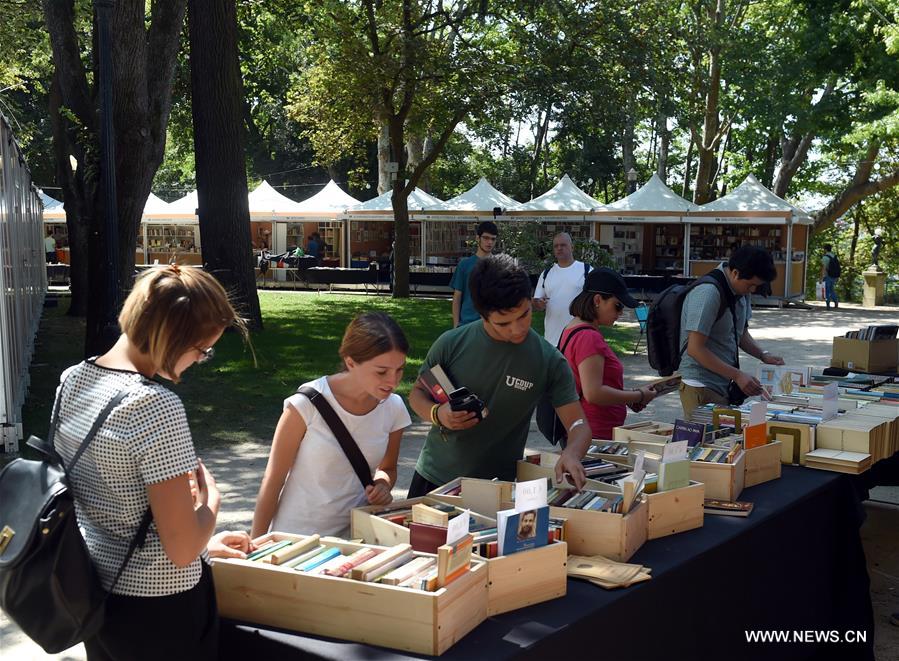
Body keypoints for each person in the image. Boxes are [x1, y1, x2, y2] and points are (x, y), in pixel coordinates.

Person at [51, 264, 247, 660]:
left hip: (93, 591)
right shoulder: (155, 404)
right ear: (174, 339)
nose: (200, 360)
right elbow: (179, 551)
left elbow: (118, 504)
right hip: (160, 606)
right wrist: (211, 504)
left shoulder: (73, 379)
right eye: (202, 350)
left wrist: (203, 542)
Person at [408, 254, 591, 497]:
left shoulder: (549, 360)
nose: (517, 329)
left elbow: (579, 425)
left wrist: (572, 452)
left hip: (498, 488)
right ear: (483, 315)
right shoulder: (451, 344)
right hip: (435, 477)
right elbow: (418, 393)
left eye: (524, 315)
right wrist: (437, 414)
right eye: (503, 324)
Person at [252, 312, 412, 539]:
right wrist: (254, 547)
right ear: (350, 362)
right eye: (382, 371)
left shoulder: (393, 407)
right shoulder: (304, 406)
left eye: (400, 369)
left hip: (356, 539)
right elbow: (273, 481)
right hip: (296, 540)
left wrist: (383, 486)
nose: (393, 381)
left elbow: (388, 469)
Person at [679, 246, 785, 419]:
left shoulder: (741, 289)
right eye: (751, 285)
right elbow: (695, 349)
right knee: (705, 442)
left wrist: (763, 355)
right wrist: (738, 375)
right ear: (735, 273)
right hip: (700, 384)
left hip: (723, 383)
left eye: (756, 286)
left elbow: (740, 333)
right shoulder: (708, 293)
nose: (752, 290)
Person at [559, 268, 657, 441]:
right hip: (596, 433)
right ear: (597, 300)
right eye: (617, 305)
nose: (620, 313)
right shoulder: (588, 337)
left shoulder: (573, 328)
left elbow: (590, 385)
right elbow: (594, 393)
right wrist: (638, 395)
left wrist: (628, 397)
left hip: (588, 429)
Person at [533, 232, 592, 346]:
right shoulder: (546, 274)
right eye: (556, 246)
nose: (559, 248)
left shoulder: (586, 270)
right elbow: (537, 303)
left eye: (563, 245)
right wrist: (538, 303)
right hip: (552, 341)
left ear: (572, 247)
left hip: (580, 340)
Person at [450, 220, 497, 327]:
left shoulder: (500, 266)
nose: (489, 242)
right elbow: (457, 297)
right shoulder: (464, 265)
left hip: (492, 325)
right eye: (486, 238)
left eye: (493, 239)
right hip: (466, 323)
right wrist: (456, 325)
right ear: (477, 238)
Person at [820, 243, 839, 309]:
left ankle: (828, 304)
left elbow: (824, 268)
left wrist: (821, 277)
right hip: (834, 275)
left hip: (827, 276)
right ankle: (835, 301)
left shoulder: (825, 257)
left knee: (827, 290)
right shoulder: (834, 256)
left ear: (825, 249)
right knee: (832, 289)